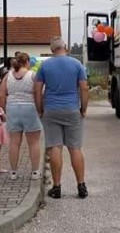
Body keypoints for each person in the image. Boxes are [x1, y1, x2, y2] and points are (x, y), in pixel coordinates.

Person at [34, 37, 89, 199]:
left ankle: (57, 187)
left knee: (55, 147)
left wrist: (40, 109)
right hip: (72, 109)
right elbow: (84, 89)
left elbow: (37, 90)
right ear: (66, 47)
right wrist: (83, 109)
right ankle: (81, 186)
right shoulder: (77, 64)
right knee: (75, 148)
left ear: (52, 50)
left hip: (51, 109)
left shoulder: (45, 66)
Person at [0, 52, 42, 181]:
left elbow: (2, 95)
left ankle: (13, 172)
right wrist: (40, 110)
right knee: (33, 142)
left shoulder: (7, 76)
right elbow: (38, 93)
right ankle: (35, 172)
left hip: (12, 108)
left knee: (14, 143)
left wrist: (4, 111)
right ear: (27, 62)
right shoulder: (33, 75)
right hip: (29, 108)